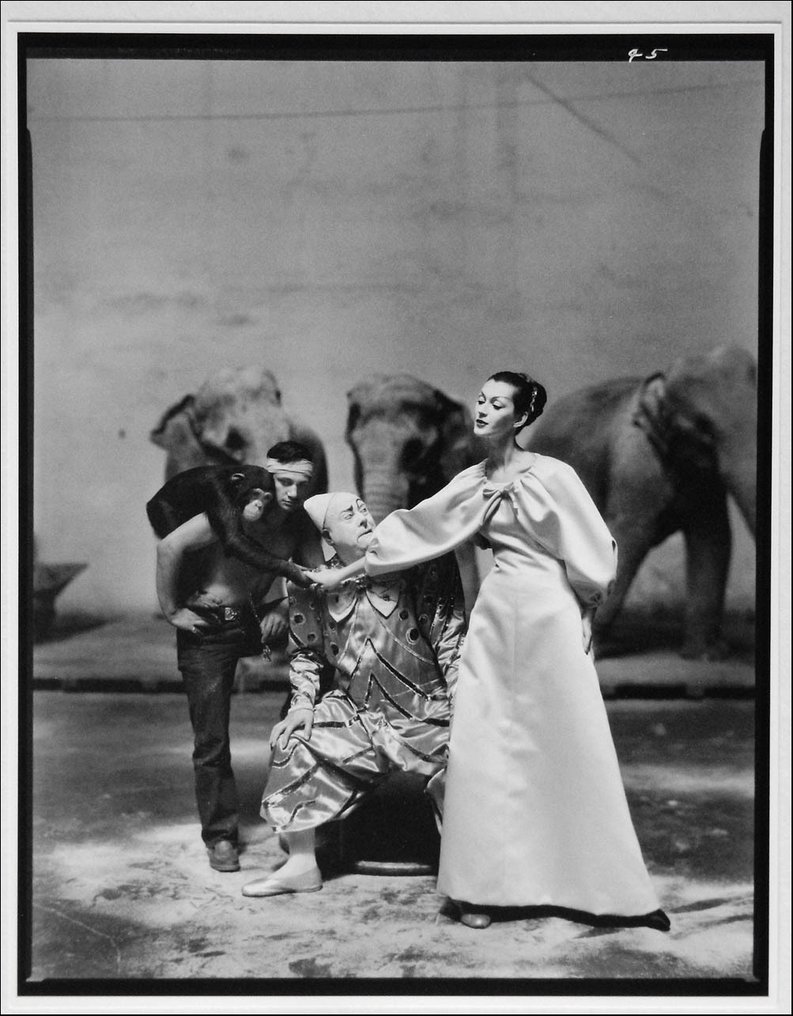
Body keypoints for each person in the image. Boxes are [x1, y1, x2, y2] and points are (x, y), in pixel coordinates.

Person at [314, 372, 669, 932]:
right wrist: (341, 573)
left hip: (552, 615)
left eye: (496, 403)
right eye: (480, 399)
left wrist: (587, 610)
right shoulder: (471, 482)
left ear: (521, 418)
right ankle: (481, 890)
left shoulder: (555, 476)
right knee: (485, 751)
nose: (482, 409)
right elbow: (410, 533)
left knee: (569, 743)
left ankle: (603, 890)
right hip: (497, 619)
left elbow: (593, 551)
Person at [241, 491, 466, 898]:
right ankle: (301, 866)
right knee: (293, 740)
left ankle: (467, 875)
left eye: (364, 510)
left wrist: (464, 702)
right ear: (328, 536)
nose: (364, 518)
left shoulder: (415, 567)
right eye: (350, 515)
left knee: (469, 756)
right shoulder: (310, 585)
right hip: (355, 712)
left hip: (424, 708)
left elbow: (449, 639)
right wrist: (302, 705)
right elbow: (307, 654)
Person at [154, 440, 322, 873]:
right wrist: (173, 611)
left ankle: (296, 814)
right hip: (210, 627)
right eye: (284, 481)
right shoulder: (232, 510)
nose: (293, 493)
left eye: (302, 484)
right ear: (267, 475)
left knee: (322, 681)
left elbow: (314, 579)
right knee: (211, 741)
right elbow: (169, 548)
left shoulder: (299, 525)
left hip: (258, 620)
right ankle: (221, 836)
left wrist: (284, 606)